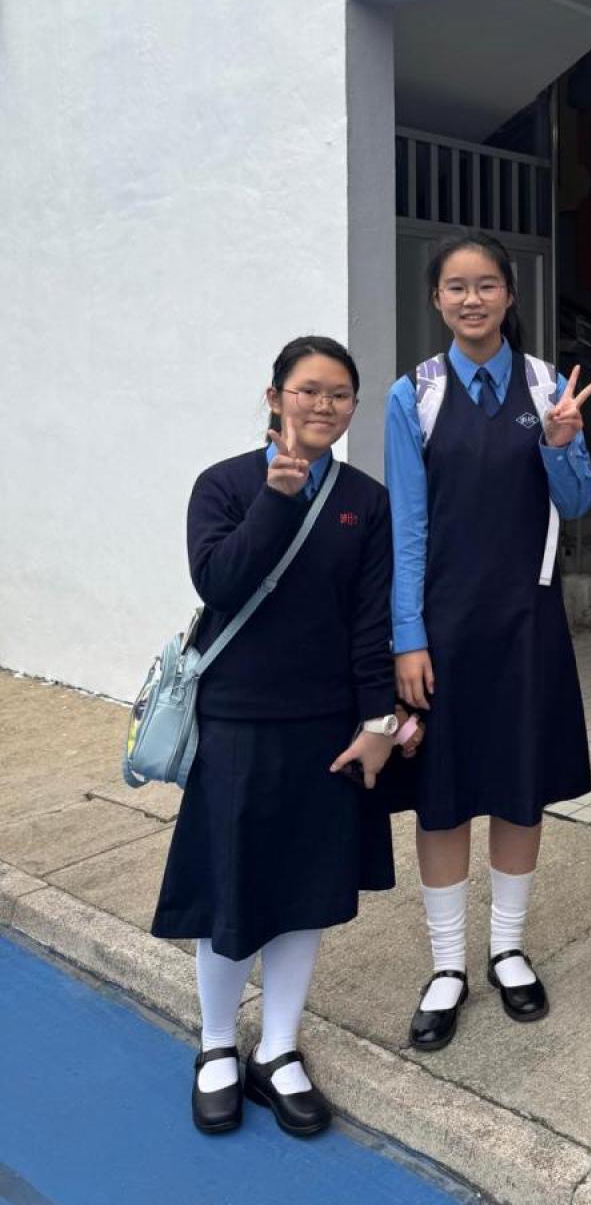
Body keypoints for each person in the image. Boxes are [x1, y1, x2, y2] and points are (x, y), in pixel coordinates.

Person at [153, 336, 405, 1137]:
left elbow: (369, 619)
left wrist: (379, 722)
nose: (323, 405)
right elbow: (219, 581)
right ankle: (217, 1043)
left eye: (339, 394)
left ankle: (280, 1047)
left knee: (304, 894)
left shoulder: (364, 499)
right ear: (274, 397)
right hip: (237, 720)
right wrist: (276, 498)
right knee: (233, 890)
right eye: (308, 390)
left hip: (325, 726)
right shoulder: (224, 484)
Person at [383, 231, 591, 1051]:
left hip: (525, 623)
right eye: (455, 286)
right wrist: (408, 636)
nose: (471, 299)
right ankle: (448, 965)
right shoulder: (414, 394)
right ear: (436, 299)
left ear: (510, 294)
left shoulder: (548, 386)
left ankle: (508, 949)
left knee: (518, 787)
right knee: (441, 796)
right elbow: (407, 527)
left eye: (485, 285)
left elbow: (578, 504)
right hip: (442, 629)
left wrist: (562, 443)